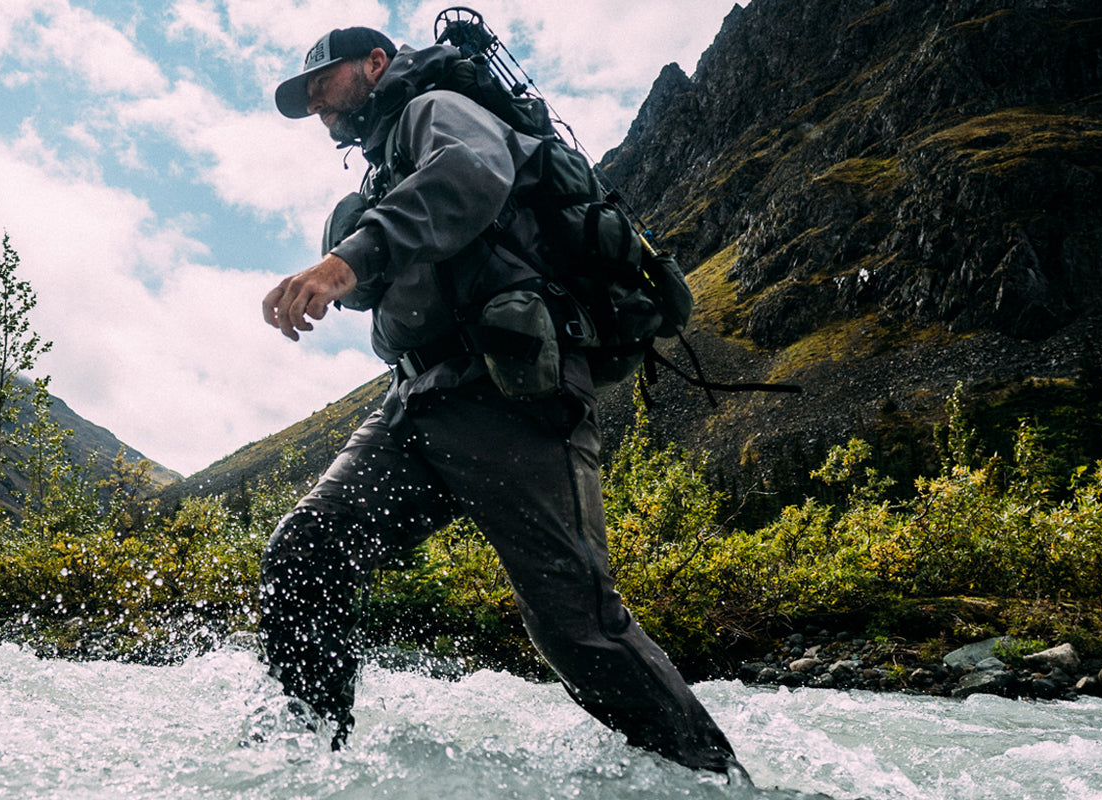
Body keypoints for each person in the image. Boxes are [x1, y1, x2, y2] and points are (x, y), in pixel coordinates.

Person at [254, 26, 747, 779]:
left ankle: (718, 782)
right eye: (309, 95)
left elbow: (469, 174)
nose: (317, 103)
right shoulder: (385, 167)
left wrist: (346, 260)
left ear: (375, 64)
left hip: (513, 398)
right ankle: (304, 769)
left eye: (323, 82)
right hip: (417, 403)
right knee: (306, 549)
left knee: (577, 628)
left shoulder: (436, 111)